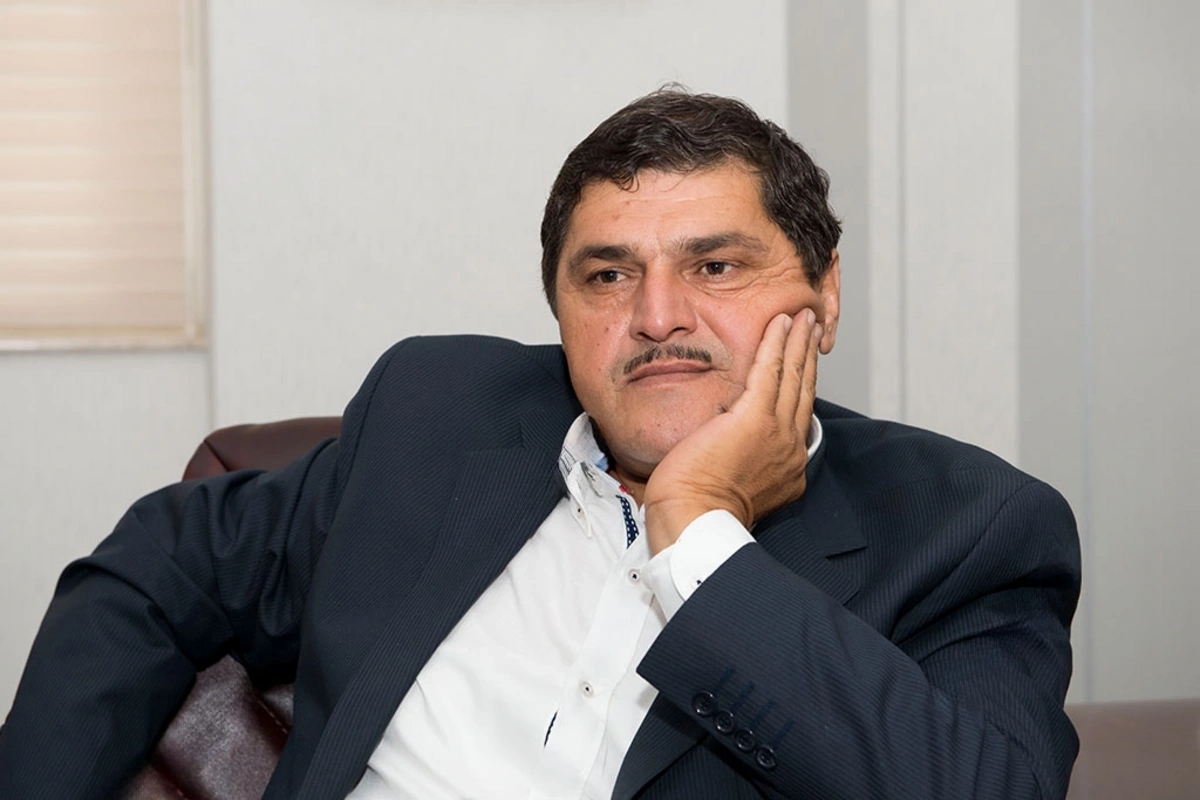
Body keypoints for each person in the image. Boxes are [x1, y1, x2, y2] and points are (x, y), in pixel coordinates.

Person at [0, 89, 1080, 799]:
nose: (657, 316)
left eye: (715, 266)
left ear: (824, 293)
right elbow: (160, 564)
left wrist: (700, 534)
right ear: (558, 309)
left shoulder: (963, 528)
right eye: (608, 275)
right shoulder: (438, 417)